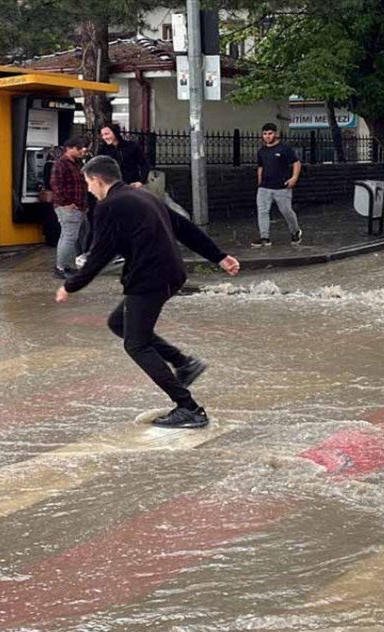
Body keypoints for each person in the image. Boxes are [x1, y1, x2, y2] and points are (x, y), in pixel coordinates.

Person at [56, 156, 240, 429]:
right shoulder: (143, 195)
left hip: (150, 277)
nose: (89, 189)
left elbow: (99, 255)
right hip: (169, 273)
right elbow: (184, 228)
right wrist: (219, 256)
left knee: (136, 344)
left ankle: (188, 408)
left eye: (88, 183)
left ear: (96, 179)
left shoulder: (108, 207)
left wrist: (71, 285)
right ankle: (184, 363)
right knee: (118, 323)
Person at [252, 122, 303, 248]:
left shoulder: (284, 149)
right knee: (262, 211)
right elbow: (260, 166)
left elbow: (296, 163)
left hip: (282, 187)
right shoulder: (262, 151)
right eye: (265, 134)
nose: (267, 136)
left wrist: (294, 178)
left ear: (275, 134)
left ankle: (295, 231)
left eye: (270, 133)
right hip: (264, 187)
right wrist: (259, 181)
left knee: (286, 211)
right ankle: (265, 237)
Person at [47, 137, 89, 279]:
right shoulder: (61, 164)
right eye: (79, 148)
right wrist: (67, 203)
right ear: (69, 148)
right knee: (68, 237)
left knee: (73, 236)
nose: (82, 150)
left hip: (78, 206)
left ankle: (66, 266)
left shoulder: (77, 163)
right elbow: (56, 185)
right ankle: (61, 268)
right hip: (69, 207)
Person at [95, 123, 151, 187]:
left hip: (131, 185)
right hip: (112, 186)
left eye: (107, 134)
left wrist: (141, 181)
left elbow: (144, 163)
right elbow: (98, 168)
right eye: (102, 135)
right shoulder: (102, 150)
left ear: (115, 133)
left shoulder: (131, 146)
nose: (104, 137)